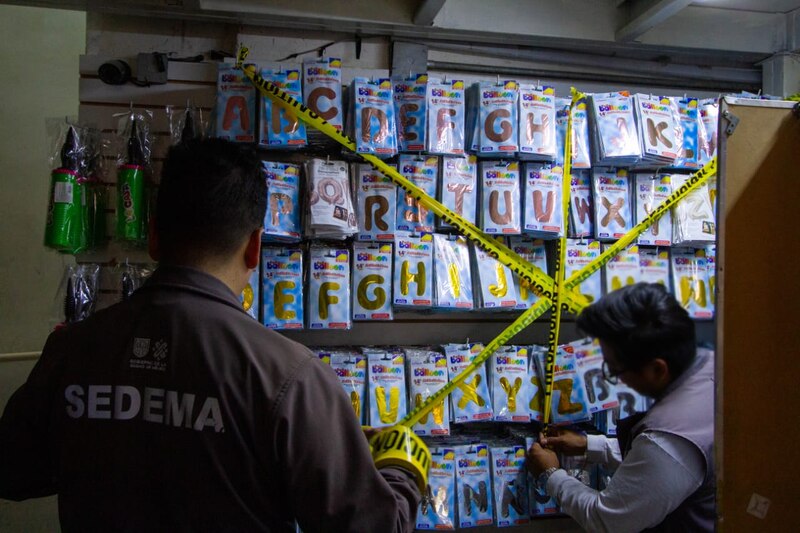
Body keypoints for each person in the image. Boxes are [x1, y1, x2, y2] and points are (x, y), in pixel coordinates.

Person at [0, 138, 422, 532]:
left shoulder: (72, 350)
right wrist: (402, 468)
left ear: (152, 236)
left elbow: (14, 473)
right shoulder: (290, 378)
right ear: (255, 247)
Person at [527, 282, 714, 532]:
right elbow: (665, 469)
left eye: (615, 369)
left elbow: (607, 520)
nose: (614, 378)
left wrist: (551, 475)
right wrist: (592, 446)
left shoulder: (668, 441)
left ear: (658, 369)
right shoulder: (710, 366)